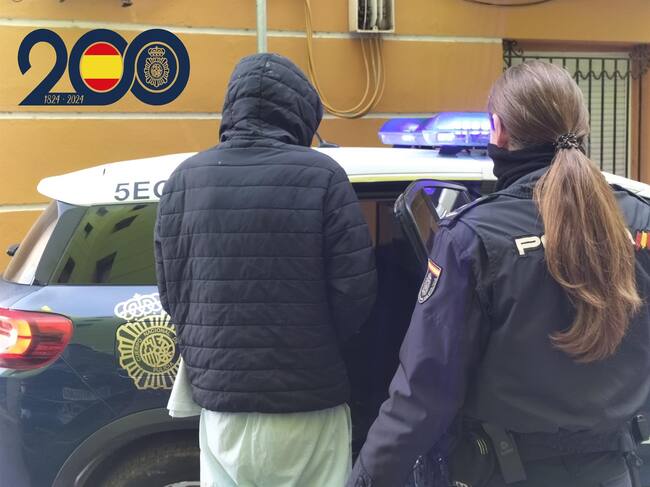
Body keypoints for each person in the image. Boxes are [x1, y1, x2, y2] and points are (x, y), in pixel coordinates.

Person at [347, 60, 650, 487]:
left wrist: (366, 478)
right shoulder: (641, 222)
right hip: (617, 472)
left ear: (499, 130)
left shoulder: (472, 237)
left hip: (511, 473)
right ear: (582, 127)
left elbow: (425, 392)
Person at [155, 53, 377, 487]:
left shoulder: (183, 179)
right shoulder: (324, 176)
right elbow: (355, 291)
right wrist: (314, 344)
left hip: (221, 406)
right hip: (309, 400)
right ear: (300, 112)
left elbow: (172, 292)